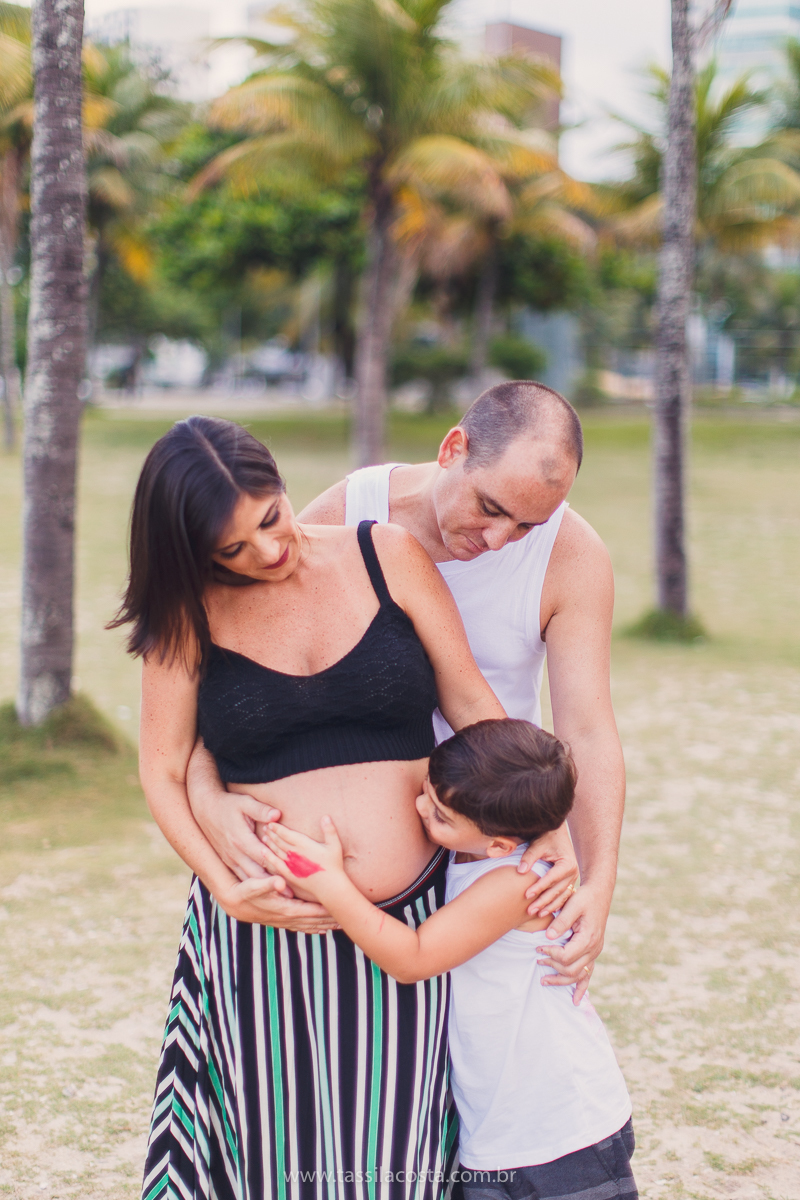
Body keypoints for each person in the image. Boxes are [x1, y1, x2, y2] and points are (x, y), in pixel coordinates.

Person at [113, 416, 576, 1200]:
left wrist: (548, 825)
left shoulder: (384, 554)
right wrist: (226, 887)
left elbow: (470, 699)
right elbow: (162, 769)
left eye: (269, 518)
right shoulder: (189, 614)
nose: (266, 550)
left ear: (280, 483)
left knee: (393, 1157)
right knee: (275, 1155)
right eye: (232, 550)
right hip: (266, 936)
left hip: (410, 926)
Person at [186, 381, 624, 1002]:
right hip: (339, 871)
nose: (499, 540)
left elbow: (587, 729)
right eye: (491, 508)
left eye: (530, 523)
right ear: (453, 449)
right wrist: (206, 795)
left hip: (490, 843)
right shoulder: (351, 512)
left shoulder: (572, 555)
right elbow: (242, 682)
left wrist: (595, 877)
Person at [259, 718, 636, 1200]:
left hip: (561, 1130)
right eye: (426, 791)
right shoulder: (469, 853)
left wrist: (329, 882)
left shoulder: (519, 882)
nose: (419, 807)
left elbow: (414, 958)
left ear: (499, 844)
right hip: (497, 1129)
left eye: (439, 814)